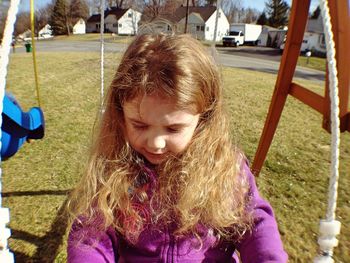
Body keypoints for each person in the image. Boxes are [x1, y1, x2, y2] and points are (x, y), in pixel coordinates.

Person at [67, 33, 288, 262]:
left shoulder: (224, 169)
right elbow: (91, 233)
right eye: (140, 125)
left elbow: (254, 222)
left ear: (203, 120)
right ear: (121, 114)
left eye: (173, 129)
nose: (155, 143)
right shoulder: (118, 169)